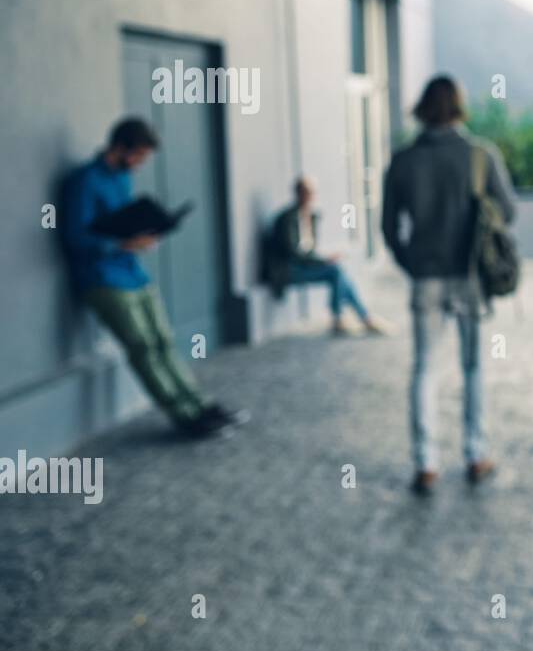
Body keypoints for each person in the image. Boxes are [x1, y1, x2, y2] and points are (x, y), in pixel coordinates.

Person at [60, 118, 249, 437]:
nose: (140, 164)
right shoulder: (85, 181)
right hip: (103, 279)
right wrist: (122, 243)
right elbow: (74, 237)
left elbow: (123, 222)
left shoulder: (122, 179)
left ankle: (201, 404)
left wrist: (145, 234)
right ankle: (185, 416)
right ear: (119, 148)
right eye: (138, 156)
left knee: (163, 342)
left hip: (134, 274)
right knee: (143, 347)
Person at [382, 75, 517, 494]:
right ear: (459, 106)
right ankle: (475, 455)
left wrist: (412, 263)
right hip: (470, 277)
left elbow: (388, 227)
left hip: (426, 277)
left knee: (424, 368)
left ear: (422, 108)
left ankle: (426, 463)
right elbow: (508, 212)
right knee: (472, 366)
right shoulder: (481, 155)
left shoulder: (403, 161)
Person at [266, 176, 388, 336]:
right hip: (286, 269)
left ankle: (358, 317)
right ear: (298, 194)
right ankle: (349, 318)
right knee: (336, 271)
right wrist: (324, 260)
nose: (310, 197)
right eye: (306, 193)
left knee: (339, 274)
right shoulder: (287, 218)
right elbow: (294, 253)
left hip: (303, 265)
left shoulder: (312, 216)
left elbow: (307, 250)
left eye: (312, 193)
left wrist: (325, 259)